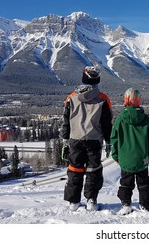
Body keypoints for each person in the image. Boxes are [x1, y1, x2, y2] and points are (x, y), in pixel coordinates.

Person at [60, 65, 113, 211]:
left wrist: (65, 139)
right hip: (94, 139)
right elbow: (106, 123)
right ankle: (91, 200)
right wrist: (109, 141)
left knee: (74, 169)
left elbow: (66, 121)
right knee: (93, 170)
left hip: (75, 139)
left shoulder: (71, 98)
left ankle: (73, 202)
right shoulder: (103, 99)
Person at [110, 88, 149, 215]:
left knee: (126, 183)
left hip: (125, 158)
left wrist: (116, 156)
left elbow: (114, 139)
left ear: (125, 100)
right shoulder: (146, 119)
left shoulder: (120, 119)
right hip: (142, 158)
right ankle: (145, 206)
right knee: (144, 184)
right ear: (139, 101)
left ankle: (126, 204)